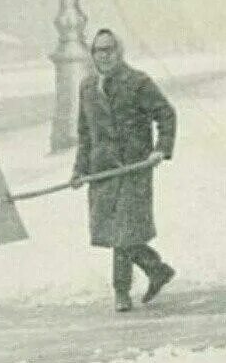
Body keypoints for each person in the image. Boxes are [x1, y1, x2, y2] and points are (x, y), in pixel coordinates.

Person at [70, 29, 177, 313]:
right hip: (103, 172)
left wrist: (160, 149)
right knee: (118, 233)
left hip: (133, 169)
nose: (103, 56)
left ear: (120, 52)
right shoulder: (87, 87)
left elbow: (166, 114)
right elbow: (85, 133)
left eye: (109, 50)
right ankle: (157, 270)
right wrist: (79, 169)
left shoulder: (138, 83)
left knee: (123, 234)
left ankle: (121, 292)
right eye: (97, 51)